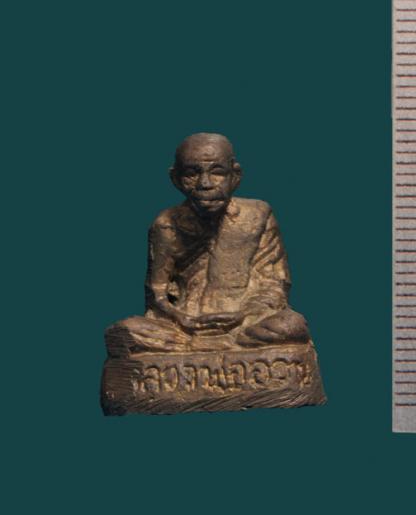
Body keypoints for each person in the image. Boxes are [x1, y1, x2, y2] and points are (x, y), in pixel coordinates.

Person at [105, 132, 311, 358]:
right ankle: (203, 346)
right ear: (175, 179)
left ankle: (220, 345)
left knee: (291, 325)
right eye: (192, 174)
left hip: (246, 322)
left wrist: (244, 314)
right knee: (127, 331)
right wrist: (183, 319)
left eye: (217, 172)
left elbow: (275, 284)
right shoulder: (166, 224)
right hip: (185, 326)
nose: (205, 184)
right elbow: (157, 295)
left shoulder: (257, 215)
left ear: (235, 176)